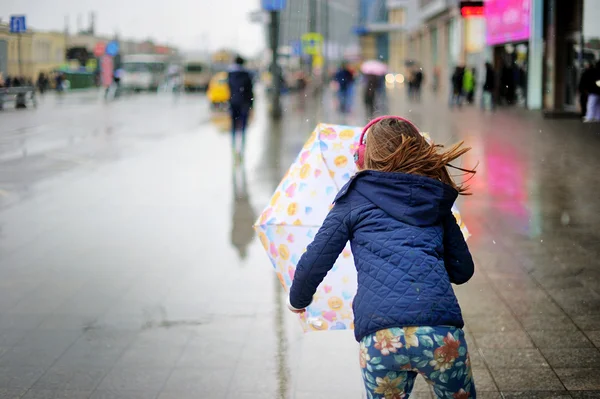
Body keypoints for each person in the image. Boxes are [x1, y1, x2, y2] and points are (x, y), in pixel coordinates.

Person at [287, 115, 476, 398]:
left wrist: (298, 300)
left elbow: (314, 261)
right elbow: (463, 271)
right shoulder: (434, 199)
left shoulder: (351, 201)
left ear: (363, 157)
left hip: (381, 337)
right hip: (440, 333)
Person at [227, 55, 254, 162]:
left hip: (233, 103)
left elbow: (229, 89)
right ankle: (241, 146)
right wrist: (251, 105)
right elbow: (250, 91)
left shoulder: (230, 74)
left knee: (234, 124)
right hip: (244, 103)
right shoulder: (246, 74)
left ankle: (234, 146)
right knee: (243, 125)